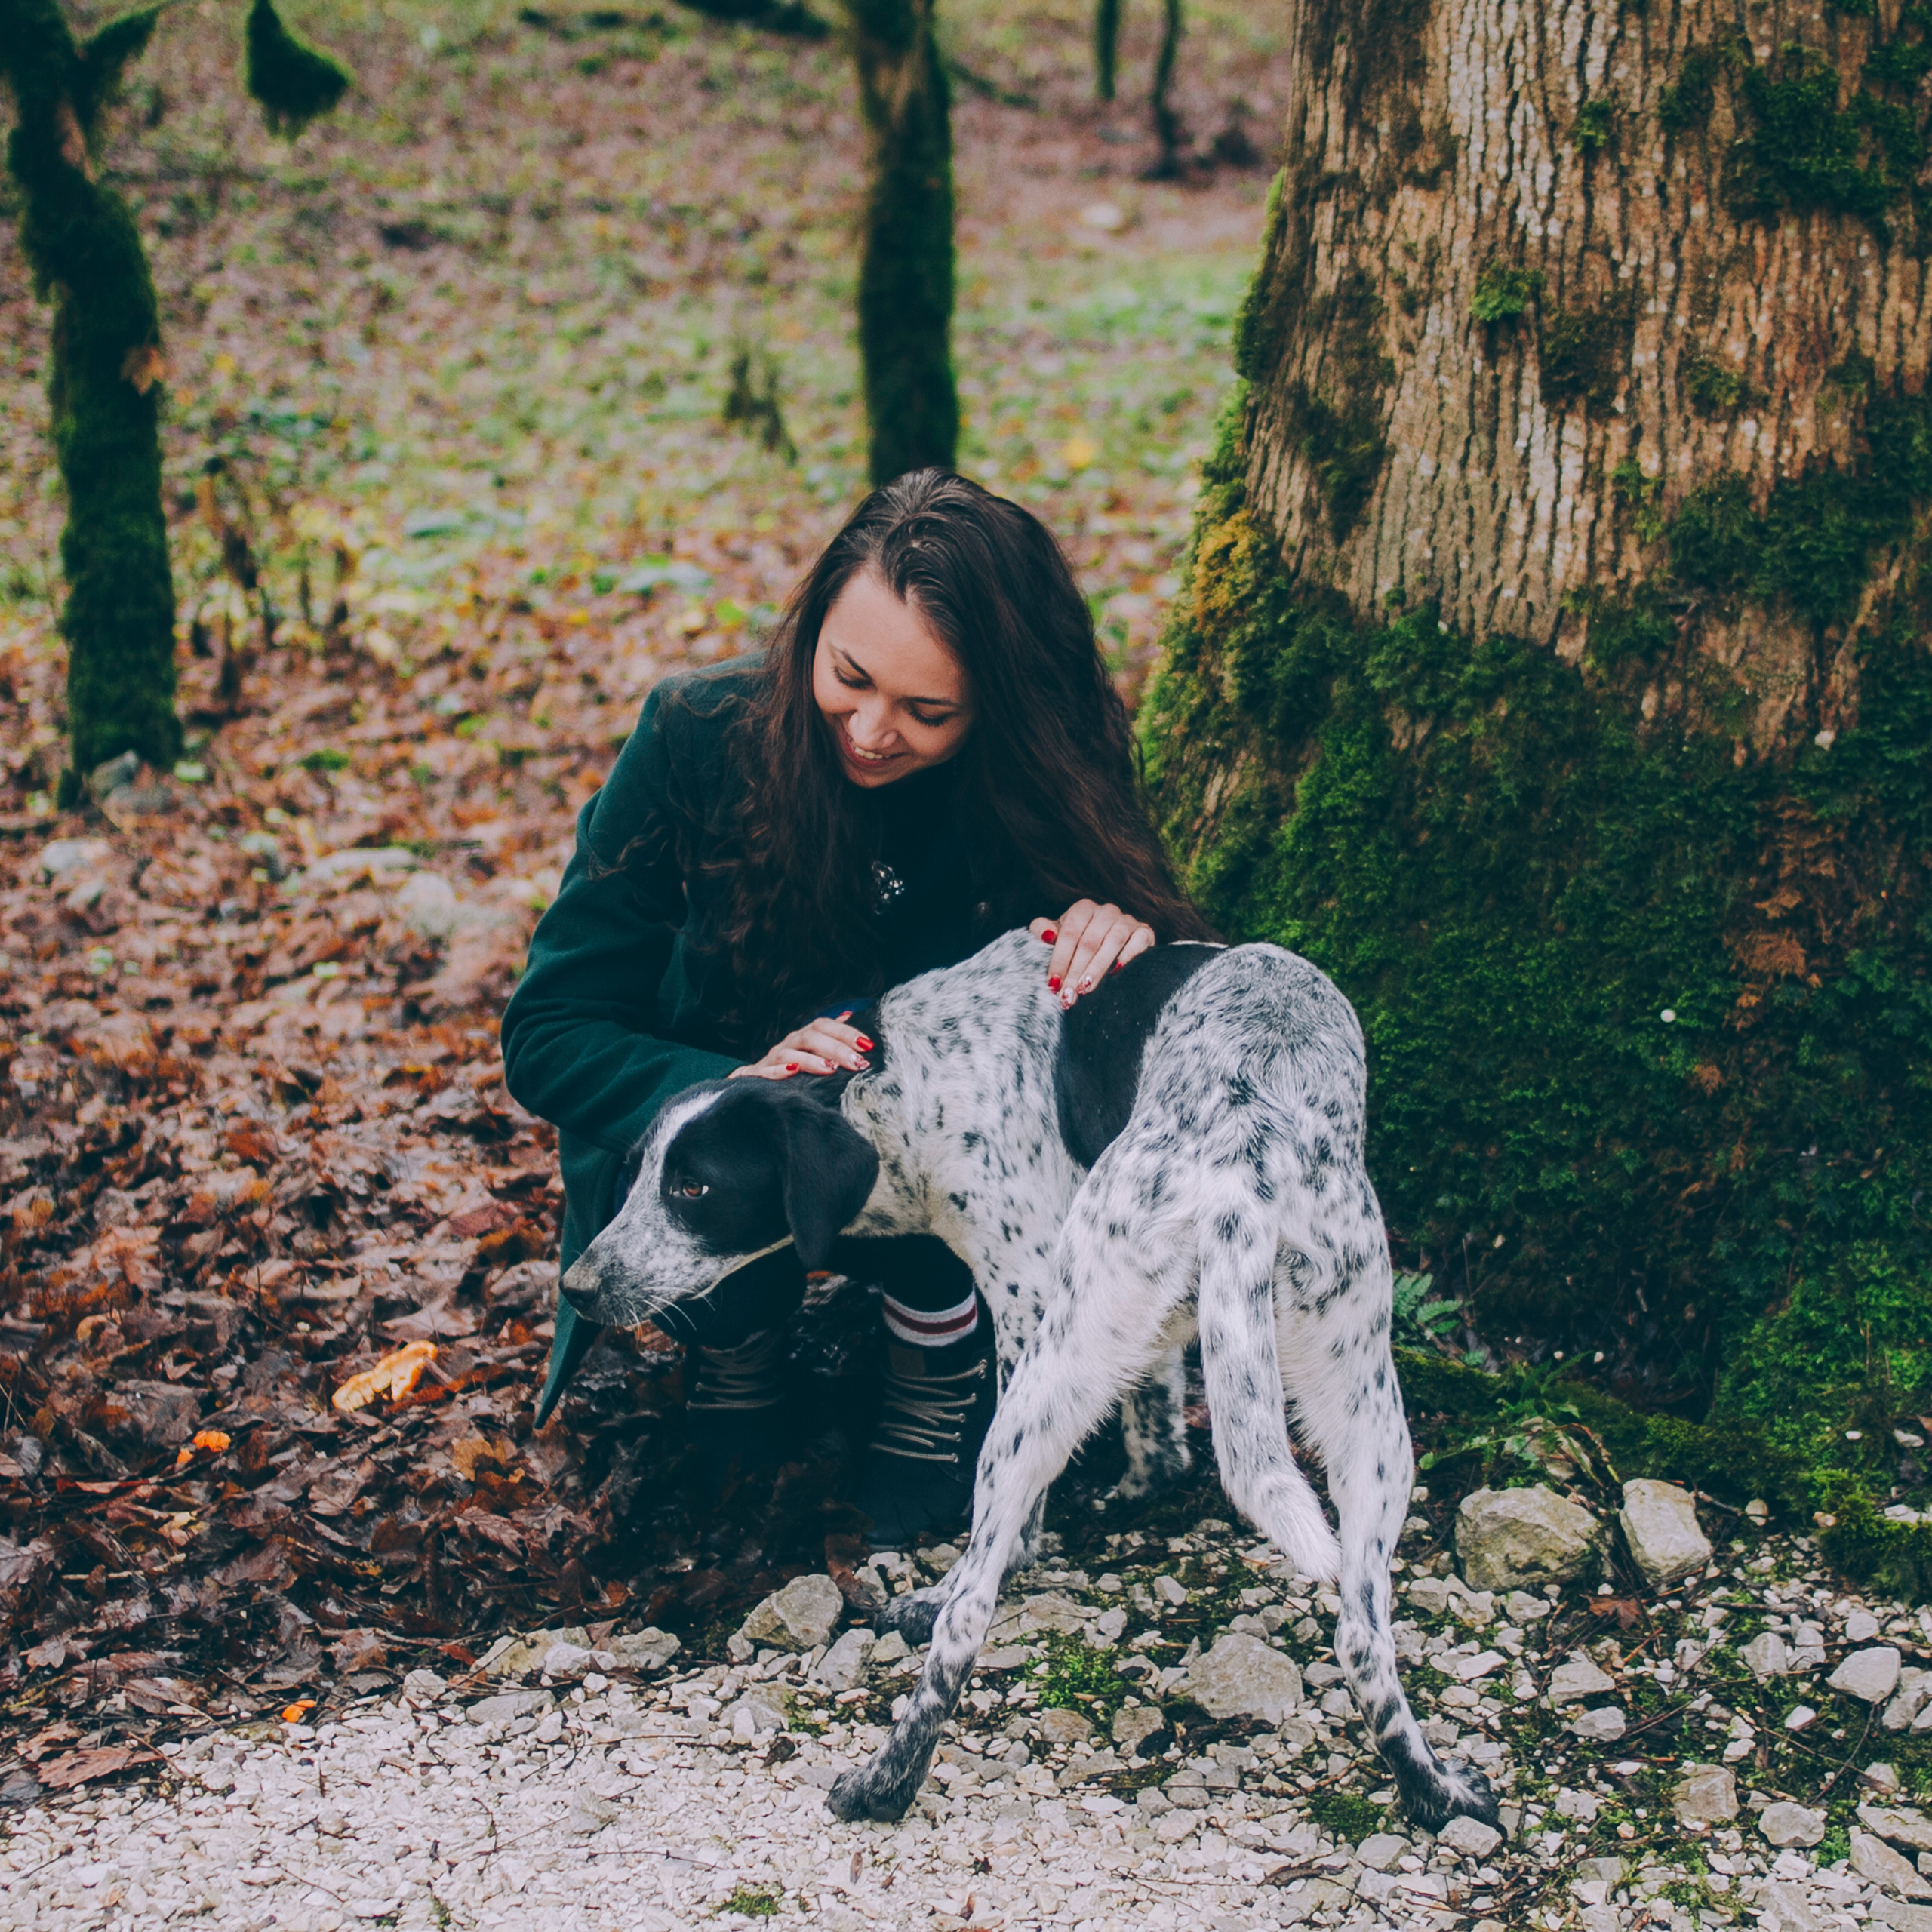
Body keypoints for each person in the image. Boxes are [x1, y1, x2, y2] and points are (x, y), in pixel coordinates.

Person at [500, 468, 1209, 1543]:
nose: (874, 730)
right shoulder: (697, 737)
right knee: (721, 1238)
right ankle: (735, 1342)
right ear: (812, 629)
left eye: (929, 712)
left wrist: (1122, 943)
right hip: (714, 1151)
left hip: (941, 1199)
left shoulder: (1038, 782)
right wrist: (740, 1094)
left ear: (1001, 708)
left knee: (951, 1110)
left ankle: (937, 1363)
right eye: (849, 677)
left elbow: (1093, 1048)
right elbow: (551, 1032)